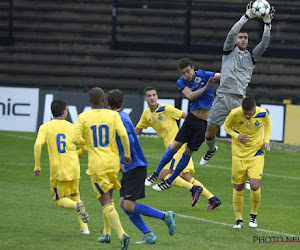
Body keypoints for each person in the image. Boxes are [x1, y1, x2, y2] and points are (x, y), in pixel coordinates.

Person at [200, 1, 275, 166]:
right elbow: (231, 33)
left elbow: (264, 44)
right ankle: (211, 149)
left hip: (239, 101)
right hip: (222, 96)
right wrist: (246, 17)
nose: (243, 39)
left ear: (248, 41)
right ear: (236, 40)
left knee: (247, 136)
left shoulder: (252, 57)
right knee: (209, 132)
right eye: (240, 37)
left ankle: (251, 166)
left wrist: (267, 24)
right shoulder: (228, 51)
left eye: (245, 38)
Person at [106, 89, 175, 245]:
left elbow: (129, 140)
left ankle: (165, 216)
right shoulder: (119, 117)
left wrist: (123, 160)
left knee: (129, 205)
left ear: (108, 104)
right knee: (124, 204)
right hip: (131, 167)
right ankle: (148, 234)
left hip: (135, 166)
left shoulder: (121, 119)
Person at [144, 58, 221, 195]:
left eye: (188, 71)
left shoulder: (203, 74)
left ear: (193, 68)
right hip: (191, 118)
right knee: (174, 147)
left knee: (188, 153)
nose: (187, 75)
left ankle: (168, 182)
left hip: (204, 123)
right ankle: (155, 174)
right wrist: (206, 87)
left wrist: (232, 74)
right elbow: (190, 96)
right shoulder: (182, 82)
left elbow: (220, 75)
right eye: (183, 73)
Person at [136, 86, 221, 209]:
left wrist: (192, 132)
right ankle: (213, 199)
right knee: (186, 177)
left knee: (163, 174)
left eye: (154, 95)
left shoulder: (166, 109)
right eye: (149, 96)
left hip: (178, 146)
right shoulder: (146, 114)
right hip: (171, 149)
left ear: (157, 96)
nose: (152, 97)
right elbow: (137, 130)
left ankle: (194, 189)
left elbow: (187, 117)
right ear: (145, 99)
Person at [72, 87, 131, 249]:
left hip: (97, 165)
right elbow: (124, 135)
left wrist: (88, 143)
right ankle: (106, 233)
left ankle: (122, 234)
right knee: (109, 199)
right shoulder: (112, 115)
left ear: (90, 102)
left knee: (105, 202)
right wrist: (127, 154)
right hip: (113, 163)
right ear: (104, 101)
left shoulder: (84, 116)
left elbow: (75, 139)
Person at [33, 100, 89, 235]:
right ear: (64, 112)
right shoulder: (73, 127)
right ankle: (85, 229)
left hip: (59, 171)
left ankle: (77, 205)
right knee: (75, 195)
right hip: (74, 167)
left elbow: (37, 145)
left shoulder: (45, 127)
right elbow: (85, 145)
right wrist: (79, 153)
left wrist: (37, 165)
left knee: (59, 200)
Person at [224, 96, 271, 229]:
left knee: (255, 185)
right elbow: (226, 127)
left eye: (250, 113)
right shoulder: (234, 113)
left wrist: (266, 140)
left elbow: (267, 125)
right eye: (245, 114)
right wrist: (237, 136)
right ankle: (239, 220)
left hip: (256, 153)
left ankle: (253, 215)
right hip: (238, 155)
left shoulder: (262, 113)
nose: (248, 116)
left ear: (255, 107)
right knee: (238, 187)